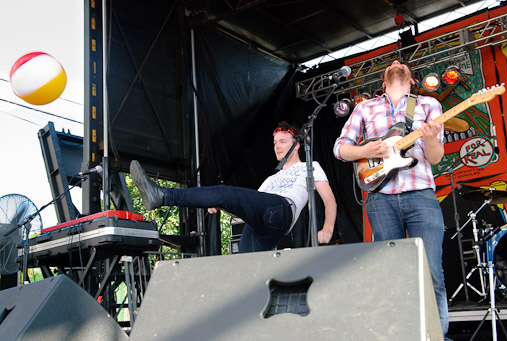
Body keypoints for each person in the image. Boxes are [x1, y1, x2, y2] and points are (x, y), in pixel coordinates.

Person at [333, 60, 450, 338]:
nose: (396, 62)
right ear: (383, 83)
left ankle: (436, 335)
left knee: (431, 270)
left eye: (402, 63)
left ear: (412, 81)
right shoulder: (365, 107)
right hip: (381, 199)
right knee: (392, 274)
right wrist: (366, 149)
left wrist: (432, 138)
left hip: (421, 195)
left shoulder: (427, 105)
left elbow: (434, 157)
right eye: (392, 63)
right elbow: (340, 149)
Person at [131, 121, 337, 253]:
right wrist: (221, 205)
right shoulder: (270, 179)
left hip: (282, 209)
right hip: (262, 223)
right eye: (275, 143)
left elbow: (329, 200)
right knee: (245, 270)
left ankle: (163, 195)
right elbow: (245, 209)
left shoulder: (309, 167)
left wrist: (327, 228)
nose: (277, 146)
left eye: (283, 141)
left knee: (225, 191)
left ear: (297, 144)